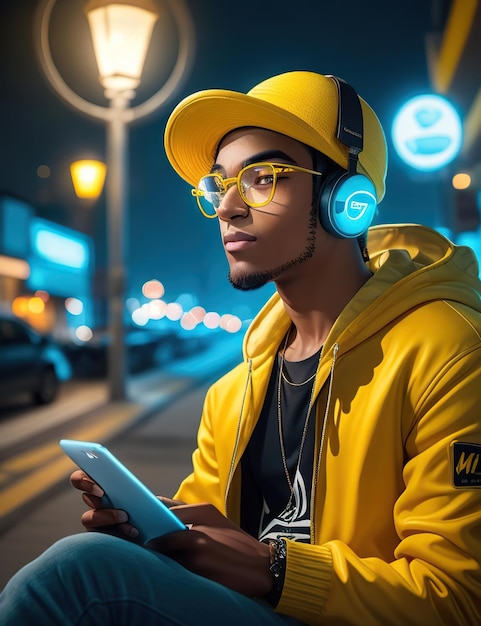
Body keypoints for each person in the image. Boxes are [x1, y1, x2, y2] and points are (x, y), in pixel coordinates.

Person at [1, 70, 481, 625]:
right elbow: (217, 551)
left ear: (344, 198)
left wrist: (274, 568)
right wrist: (164, 533)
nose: (226, 206)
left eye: (261, 178)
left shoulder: (448, 351)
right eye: (218, 184)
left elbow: (460, 598)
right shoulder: (235, 389)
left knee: (80, 577)